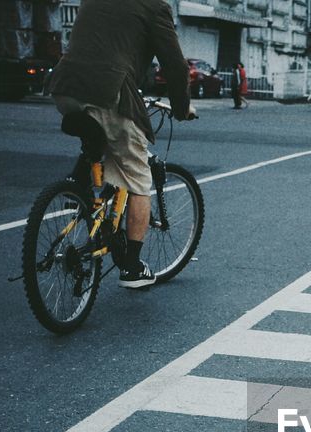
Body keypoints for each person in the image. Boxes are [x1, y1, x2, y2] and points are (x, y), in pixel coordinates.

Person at [48, 0, 196, 288]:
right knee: (138, 176)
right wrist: (181, 108)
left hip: (65, 87)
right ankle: (132, 267)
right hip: (108, 90)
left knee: (99, 134)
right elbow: (175, 65)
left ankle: (78, 188)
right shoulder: (154, 7)